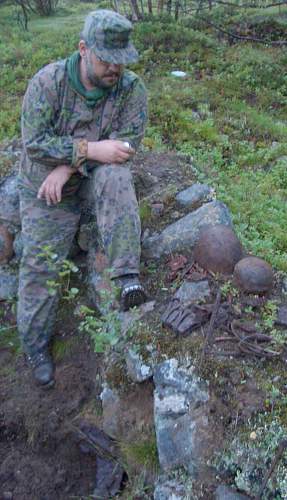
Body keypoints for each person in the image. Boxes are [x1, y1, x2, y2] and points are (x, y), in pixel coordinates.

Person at [18, 9, 148, 388]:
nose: (115, 69)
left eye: (121, 60)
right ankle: (35, 346)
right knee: (41, 266)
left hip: (87, 179)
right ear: (83, 49)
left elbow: (125, 146)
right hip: (46, 188)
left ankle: (127, 278)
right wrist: (89, 149)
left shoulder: (131, 88)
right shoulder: (48, 83)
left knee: (117, 175)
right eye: (106, 59)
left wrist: (74, 164)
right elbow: (35, 144)